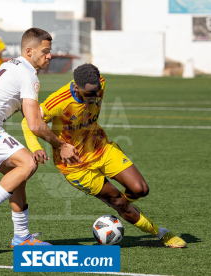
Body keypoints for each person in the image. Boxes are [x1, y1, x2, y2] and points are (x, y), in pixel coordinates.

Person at [22, 63, 186, 248]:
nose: (94, 97)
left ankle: (122, 206)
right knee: (119, 202)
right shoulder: (58, 102)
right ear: (76, 87)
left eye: (96, 93)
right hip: (75, 165)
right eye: (89, 94)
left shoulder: (100, 83)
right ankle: (161, 233)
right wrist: (36, 147)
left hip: (100, 148)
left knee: (141, 189)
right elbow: (28, 122)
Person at [0, 28, 80, 246]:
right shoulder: (28, 74)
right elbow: (34, 123)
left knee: (18, 175)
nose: (49, 56)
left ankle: (22, 237)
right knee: (27, 164)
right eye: (45, 51)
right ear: (28, 50)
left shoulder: (12, 64)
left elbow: (30, 118)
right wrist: (61, 145)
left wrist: (37, 141)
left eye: (50, 51)